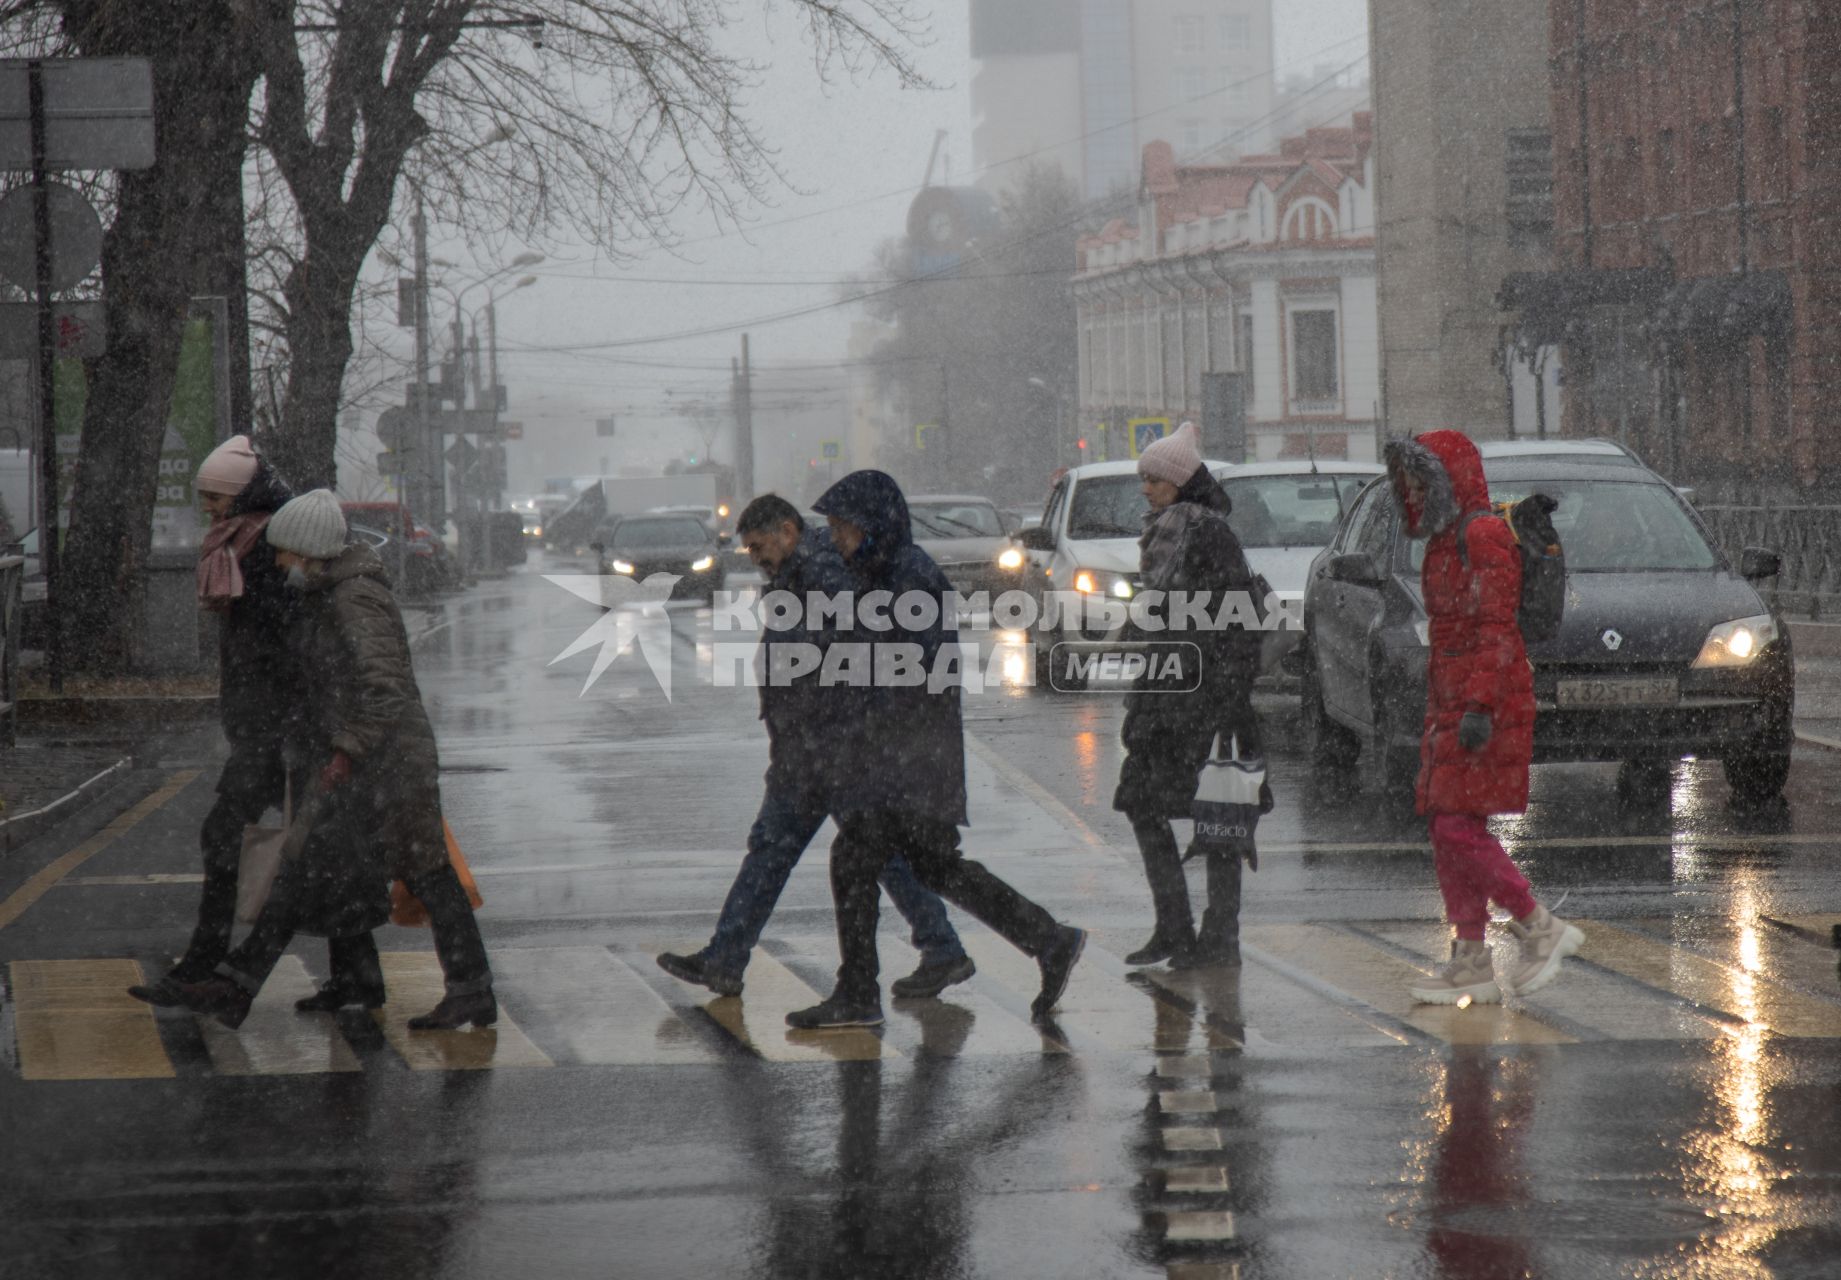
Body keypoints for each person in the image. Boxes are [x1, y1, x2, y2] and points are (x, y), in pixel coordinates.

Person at [172, 489, 496, 1030]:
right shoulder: (328, 593)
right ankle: (245, 986)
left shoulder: (354, 598)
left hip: (388, 761)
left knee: (425, 871)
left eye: (285, 553)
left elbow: (384, 687)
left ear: (310, 551)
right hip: (365, 757)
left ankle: (470, 989)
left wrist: (347, 749)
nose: (279, 563)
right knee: (310, 865)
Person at [787, 470, 1086, 1029]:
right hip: (903, 757)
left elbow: (913, 674)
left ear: (873, 527)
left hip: (908, 759)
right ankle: (1049, 939)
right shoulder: (880, 572)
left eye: (843, 529)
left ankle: (857, 994)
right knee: (934, 866)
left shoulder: (909, 578)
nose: (837, 540)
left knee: (857, 860)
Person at [655, 494, 973, 1000]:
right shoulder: (802, 571)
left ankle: (729, 957)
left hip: (826, 747)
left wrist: (819, 721)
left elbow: (847, 650)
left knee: (784, 849)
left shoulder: (824, 572)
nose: (756, 557)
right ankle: (942, 947)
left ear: (786, 530)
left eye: (760, 545)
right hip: (818, 744)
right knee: (864, 852)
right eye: (750, 550)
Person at [1385, 431, 1583, 1004]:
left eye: (1423, 480)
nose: (1414, 492)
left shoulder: (1481, 535)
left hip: (1486, 702)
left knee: (1455, 826)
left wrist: (1478, 705)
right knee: (1448, 827)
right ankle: (1470, 955)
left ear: (1449, 481)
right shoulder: (1446, 541)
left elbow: (1496, 631)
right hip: (1453, 696)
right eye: (1409, 483)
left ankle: (1539, 926)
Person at [129, 435, 300, 1007]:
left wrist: (274, 720)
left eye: (214, 496)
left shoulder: (270, 545)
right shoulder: (242, 539)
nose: (208, 507)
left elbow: (285, 644)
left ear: (240, 492)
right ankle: (359, 977)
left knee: (226, 836)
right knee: (324, 857)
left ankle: (205, 964)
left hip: (276, 728)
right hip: (265, 723)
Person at [1112, 422, 1266, 969]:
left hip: (1203, 703)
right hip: (1167, 698)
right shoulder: (1166, 532)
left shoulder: (1205, 533)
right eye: (1144, 479)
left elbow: (1238, 624)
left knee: (1219, 818)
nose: (1146, 489)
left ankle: (1218, 937)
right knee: (1145, 805)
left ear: (1179, 481)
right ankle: (1175, 929)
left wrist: (1223, 698)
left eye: (1154, 479)